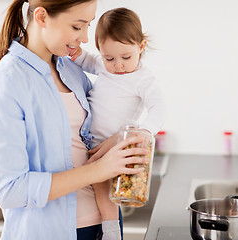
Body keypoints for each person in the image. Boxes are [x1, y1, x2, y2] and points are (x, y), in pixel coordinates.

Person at [0, 1, 149, 240]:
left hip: (105, 225)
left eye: (88, 25)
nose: (86, 38)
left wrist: (116, 141)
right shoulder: (5, 83)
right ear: (42, 17)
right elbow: (9, 190)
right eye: (78, 26)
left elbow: (93, 132)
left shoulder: (70, 70)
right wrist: (97, 170)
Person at [70, 7, 166, 239]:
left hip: (116, 143)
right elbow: (86, 60)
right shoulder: (103, 65)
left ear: (140, 47)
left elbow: (159, 108)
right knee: (94, 180)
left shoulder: (143, 79)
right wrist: (75, 52)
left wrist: (144, 131)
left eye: (126, 57)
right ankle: (110, 225)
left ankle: (111, 229)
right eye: (109, 58)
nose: (118, 65)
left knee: (103, 184)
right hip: (90, 139)